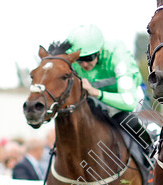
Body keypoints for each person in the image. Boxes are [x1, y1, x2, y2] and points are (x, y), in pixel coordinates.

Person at [65, 24, 153, 157]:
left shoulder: (117, 55)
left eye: (88, 58)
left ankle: (152, 154)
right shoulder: (73, 63)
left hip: (133, 100)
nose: (83, 64)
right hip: (99, 103)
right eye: (79, 59)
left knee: (128, 121)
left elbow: (128, 103)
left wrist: (96, 92)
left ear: (99, 51)